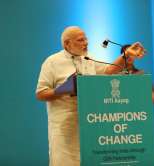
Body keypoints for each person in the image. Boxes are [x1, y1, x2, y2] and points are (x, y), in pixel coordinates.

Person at [36, 26, 146, 166]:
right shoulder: (52, 62)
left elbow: (108, 70)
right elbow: (40, 94)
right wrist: (63, 89)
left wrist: (126, 55)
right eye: (80, 40)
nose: (86, 42)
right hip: (63, 129)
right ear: (67, 44)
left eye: (86, 38)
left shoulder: (88, 59)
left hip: (89, 126)